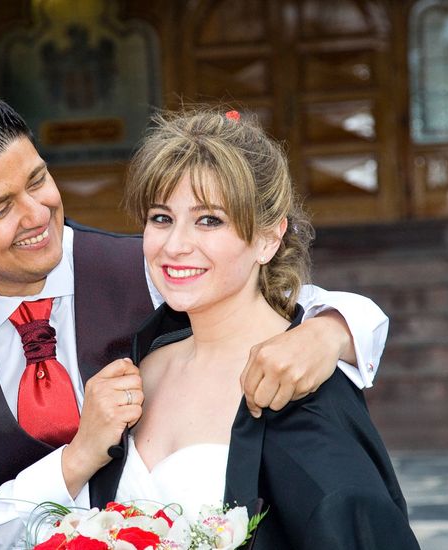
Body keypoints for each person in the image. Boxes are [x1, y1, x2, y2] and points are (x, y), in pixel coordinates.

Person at [0, 85, 390, 548]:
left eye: (38, 180)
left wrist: (327, 331)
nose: (36, 214)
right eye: (0, 208)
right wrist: (77, 459)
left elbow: (264, 289)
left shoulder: (152, 265)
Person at [108, 109, 418, 548]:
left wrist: (333, 331)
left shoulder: (297, 381)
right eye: (161, 218)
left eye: (209, 220)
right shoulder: (141, 365)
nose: (174, 246)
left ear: (268, 239)